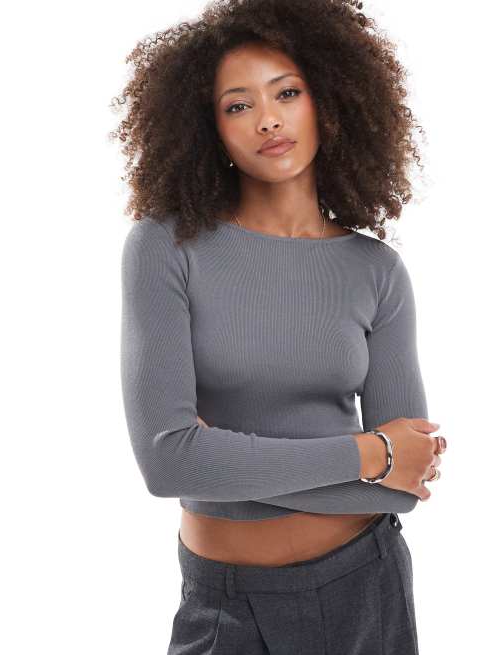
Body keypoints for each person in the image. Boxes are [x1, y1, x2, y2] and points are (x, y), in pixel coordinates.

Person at [112, 1, 447, 652]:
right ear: (208, 127)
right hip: (225, 604)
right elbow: (168, 462)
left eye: (287, 93)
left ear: (328, 100)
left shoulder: (376, 270)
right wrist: (368, 455)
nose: (267, 119)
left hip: (366, 587)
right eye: (237, 105)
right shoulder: (165, 247)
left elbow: (405, 486)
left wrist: (227, 462)